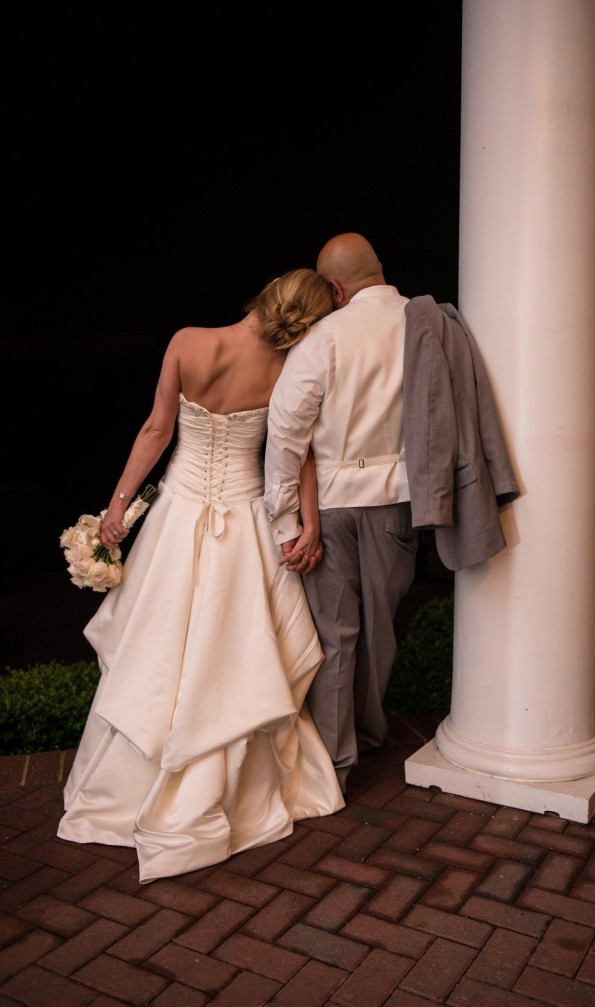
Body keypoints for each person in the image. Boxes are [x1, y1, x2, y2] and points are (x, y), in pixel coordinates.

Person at [57, 268, 345, 884]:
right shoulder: (289, 371)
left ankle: (127, 789)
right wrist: (307, 528)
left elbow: (157, 430)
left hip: (176, 514)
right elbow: (298, 457)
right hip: (246, 524)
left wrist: (117, 506)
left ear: (267, 290)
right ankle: (228, 786)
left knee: (155, 650)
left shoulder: (188, 341)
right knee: (235, 657)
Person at [264, 234, 418, 796]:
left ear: (333, 288)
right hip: (397, 498)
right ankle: (371, 730)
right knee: (383, 626)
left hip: (328, 505)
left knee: (336, 633)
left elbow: (286, 435)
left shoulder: (322, 337)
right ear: (380, 270)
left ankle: (335, 762)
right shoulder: (425, 324)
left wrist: (287, 523)